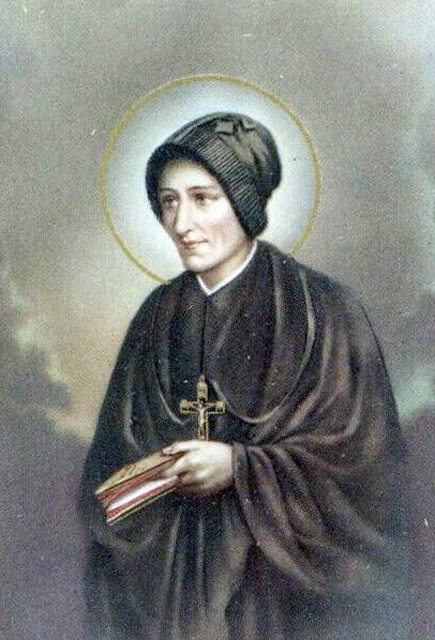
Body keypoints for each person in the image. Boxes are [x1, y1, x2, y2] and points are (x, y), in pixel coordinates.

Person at [80, 113, 408, 640]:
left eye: (202, 199)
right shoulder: (155, 318)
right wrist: (160, 476)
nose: (181, 223)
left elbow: (365, 471)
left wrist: (240, 468)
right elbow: (108, 476)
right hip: (174, 592)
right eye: (168, 202)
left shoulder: (323, 311)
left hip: (282, 594)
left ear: (244, 202)